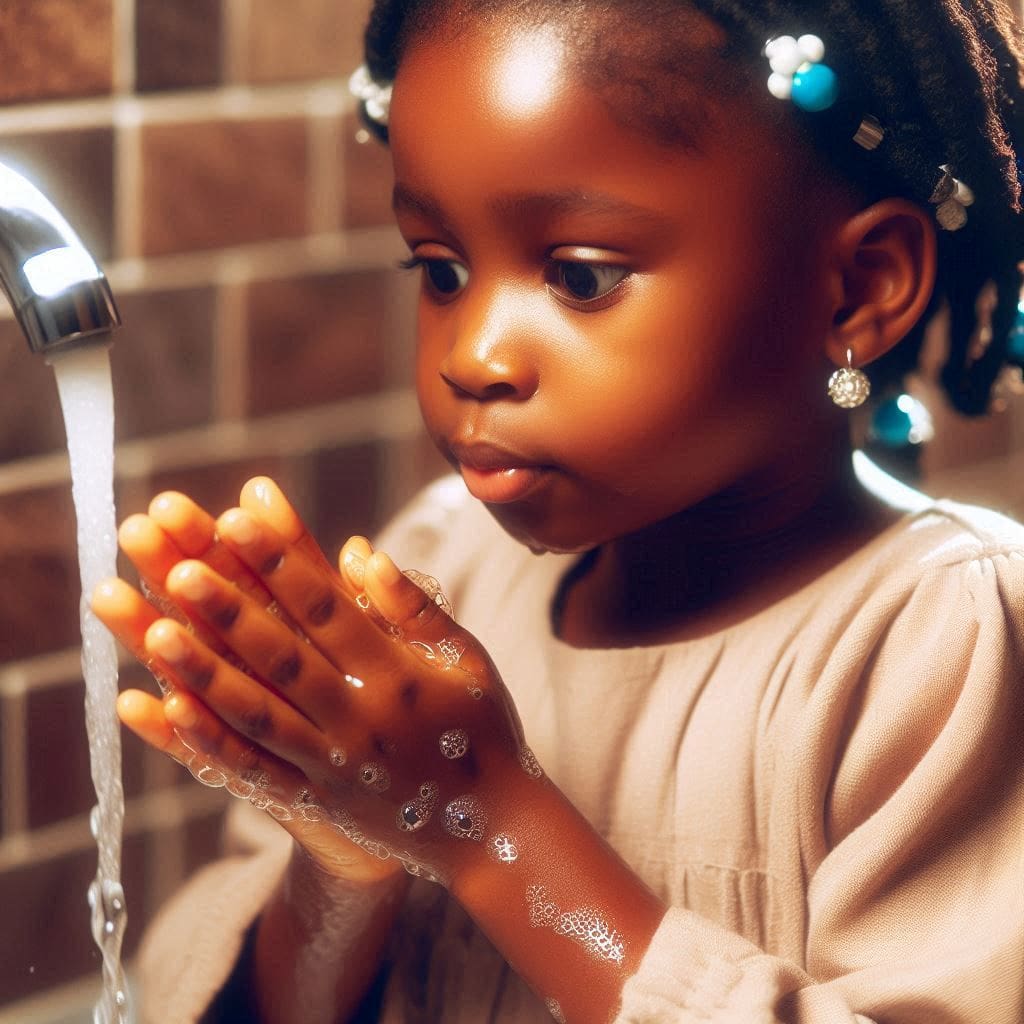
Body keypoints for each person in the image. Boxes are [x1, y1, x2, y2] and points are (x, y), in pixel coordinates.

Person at [92, 1, 1024, 1021]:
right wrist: (346, 852)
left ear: (855, 289)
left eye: (580, 278)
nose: (472, 356)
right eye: (440, 269)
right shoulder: (440, 565)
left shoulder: (945, 640)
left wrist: (484, 821)